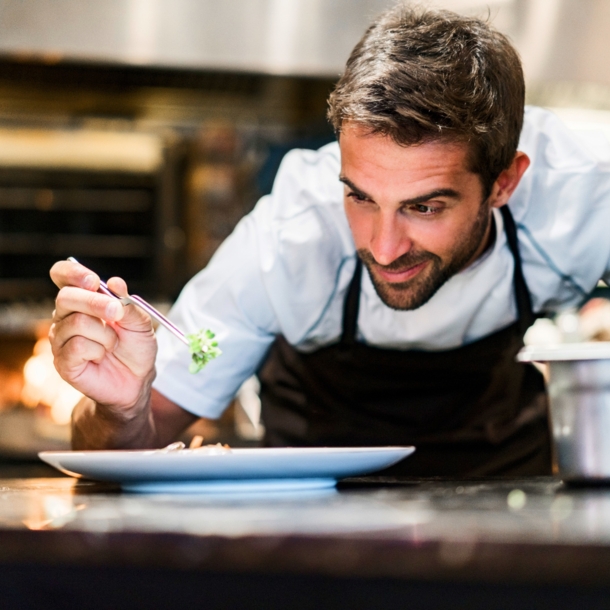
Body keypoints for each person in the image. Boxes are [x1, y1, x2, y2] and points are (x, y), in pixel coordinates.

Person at [49, 3, 610, 476]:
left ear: (504, 182)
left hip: (506, 512)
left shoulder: (580, 200)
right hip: (313, 528)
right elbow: (124, 447)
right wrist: (121, 410)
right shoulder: (287, 238)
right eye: (360, 197)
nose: (385, 247)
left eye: (425, 206)